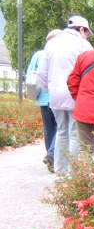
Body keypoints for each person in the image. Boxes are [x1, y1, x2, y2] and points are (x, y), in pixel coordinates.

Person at [37, 16, 93, 174]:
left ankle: (60, 170)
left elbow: (41, 73)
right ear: (81, 29)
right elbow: (89, 72)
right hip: (76, 93)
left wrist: (49, 89)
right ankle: (72, 173)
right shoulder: (83, 45)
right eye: (86, 32)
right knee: (75, 133)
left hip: (55, 94)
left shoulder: (52, 43)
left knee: (61, 131)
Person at [26, 29, 62, 172]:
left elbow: (30, 75)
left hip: (42, 97)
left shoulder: (38, 55)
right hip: (56, 96)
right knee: (61, 127)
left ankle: (50, 157)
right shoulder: (56, 54)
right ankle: (52, 155)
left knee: (48, 128)